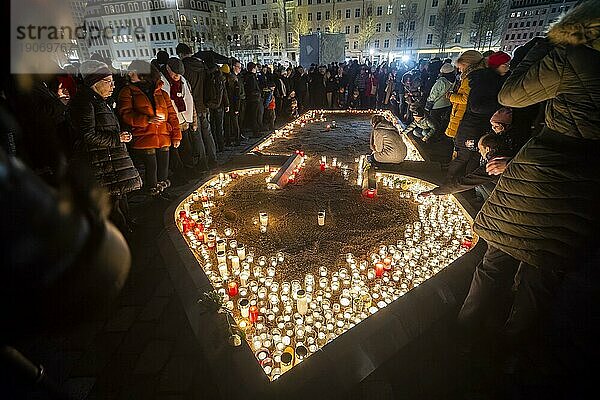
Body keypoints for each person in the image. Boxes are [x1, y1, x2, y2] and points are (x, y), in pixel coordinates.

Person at [462, 0, 600, 374]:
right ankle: (511, 352)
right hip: (589, 186)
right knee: (542, 272)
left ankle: (463, 339)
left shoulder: (577, 58)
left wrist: (541, 50)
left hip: (546, 172)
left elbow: (511, 95)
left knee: (497, 258)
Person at [69, 60, 142, 233]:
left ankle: (128, 226)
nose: (113, 85)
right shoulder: (86, 103)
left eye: (112, 81)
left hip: (110, 159)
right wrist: (117, 138)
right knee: (112, 203)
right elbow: (87, 135)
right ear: (95, 82)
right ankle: (122, 235)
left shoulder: (98, 101)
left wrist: (122, 135)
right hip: (102, 163)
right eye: (108, 81)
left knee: (120, 196)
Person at [118, 60, 181, 198]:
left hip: (163, 137)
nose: (130, 74)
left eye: (133, 71)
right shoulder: (128, 92)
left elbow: (172, 115)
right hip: (144, 136)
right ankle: (154, 195)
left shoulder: (161, 93)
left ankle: (163, 192)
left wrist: (176, 135)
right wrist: (146, 120)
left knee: (164, 167)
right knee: (151, 168)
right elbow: (125, 114)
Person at [419, 133, 512, 198]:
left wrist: (433, 192)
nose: (479, 151)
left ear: (487, 149)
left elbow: (462, 183)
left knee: (481, 185)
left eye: (480, 149)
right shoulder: (504, 151)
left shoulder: (494, 165)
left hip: (505, 192)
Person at [160, 57, 206, 183]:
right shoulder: (161, 82)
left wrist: (193, 119)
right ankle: (180, 174)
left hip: (184, 120)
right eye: (175, 74)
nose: (177, 77)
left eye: (179, 74)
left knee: (187, 148)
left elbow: (189, 99)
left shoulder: (183, 81)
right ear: (168, 69)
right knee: (176, 151)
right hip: (171, 122)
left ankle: (190, 170)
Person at [176, 43, 217, 169]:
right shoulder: (202, 66)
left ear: (181, 54)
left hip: (192, 107)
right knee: (207, 133)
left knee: (196, 135)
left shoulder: (185, 69)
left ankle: (203, 163)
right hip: (204, 104)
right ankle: (213, 159)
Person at [426, 62, 456, 137]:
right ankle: (441, 135)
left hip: (436, 106)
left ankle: (433, 136)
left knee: (434, 123)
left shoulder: (441, 81)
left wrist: (428, 103)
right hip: (447, 104)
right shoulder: (454, 80)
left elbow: (434, 94)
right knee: (443, 122)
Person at [223, 63, 241, 147]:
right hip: (233, 105)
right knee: (234, 123)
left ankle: (228, 141)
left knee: (228, 124)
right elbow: (237, 96)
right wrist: (237, 108)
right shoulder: (234, 80)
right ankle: (236, 140)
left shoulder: (225, 81)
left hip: (227, 105)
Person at [244, 62, 262, 137]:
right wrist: (258, 93)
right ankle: (256, 132)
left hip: (254, 99)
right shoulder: (250, 77)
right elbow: (251, 89)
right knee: (254, 116)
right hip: (253, 99)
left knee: (256, 115)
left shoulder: (252, 76)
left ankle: (257, 131)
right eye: (255, 68)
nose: (256, 69)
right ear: (252, 69)